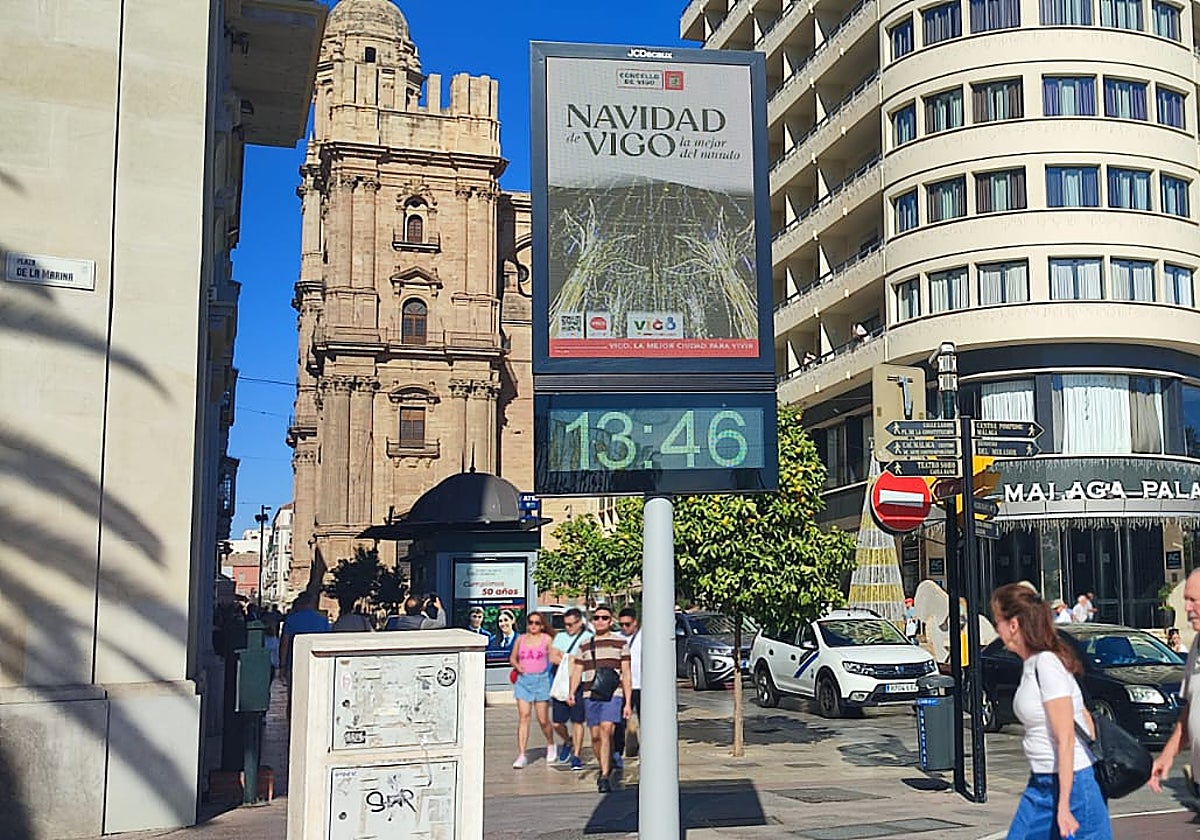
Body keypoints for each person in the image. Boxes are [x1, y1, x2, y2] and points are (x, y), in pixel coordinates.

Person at [991, 583, 1110, 840]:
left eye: (997, 621)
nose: (996, 629)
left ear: (1013, 625)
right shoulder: (1032, 664)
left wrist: (1065, 804)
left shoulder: (1047, 664)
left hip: (1075, 784)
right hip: (1042, 781)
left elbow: (1066, 738)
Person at [568, 606, 632, 794]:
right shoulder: (585, 645)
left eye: (604, 618)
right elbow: (577, 671)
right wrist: (571, 692)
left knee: (606, 730)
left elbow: (626, 673)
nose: (600, 621)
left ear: (611, 620)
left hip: (614, 694)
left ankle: (604, 775)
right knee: (595, 736)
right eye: (596, 618)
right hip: (590, 693)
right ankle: (605, 761)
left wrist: (627, 702)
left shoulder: (620, 643)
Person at [1151, 569, 1200, 797]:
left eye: (1193, 600)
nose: (1188, 608)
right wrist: (1168, 754)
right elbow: (1192, 707)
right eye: (1186, 601)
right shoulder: (1197, 646)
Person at [510, 611, 556, 769]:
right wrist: (518, 667)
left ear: (542, 625)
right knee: (524, 716)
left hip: (541, 680)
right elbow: (512, 658)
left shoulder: (547, 639)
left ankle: (550, 743)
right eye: (531, 622)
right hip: (524, 681)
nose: (533, 626)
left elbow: (555, 657)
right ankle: (522, 754)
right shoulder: (520, 639)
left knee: (543, 719)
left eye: (537, 623)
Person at [550, 607, 591, 771]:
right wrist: (570, 661)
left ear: (579, 622)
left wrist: (568, 658)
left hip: (581, 683)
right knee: (557, 723)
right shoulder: (560, 637)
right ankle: (568, 740)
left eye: (571, 624)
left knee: (578, 720)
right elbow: (553, 656)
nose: (568, 628)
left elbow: (587, 660)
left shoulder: (588, 638)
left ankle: (577, 755)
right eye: (565, 624)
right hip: (562, 683)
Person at [279, 590, 331, 716]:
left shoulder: (291, 620)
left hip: (296, 663)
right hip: (318, 664)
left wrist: (282, 666)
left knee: (294, 698)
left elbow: (284, 645)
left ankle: (292, 724)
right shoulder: (322, 620)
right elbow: (327, 642)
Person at [612, 607, 642, 766]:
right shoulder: (616, 638)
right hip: (622, 686)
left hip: (642, 685)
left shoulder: (645, 637)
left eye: (628, 624)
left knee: (646, 719)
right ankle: (617, 752)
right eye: (622, 624)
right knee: (619, 721)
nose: (624, 628)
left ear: (635, 623)